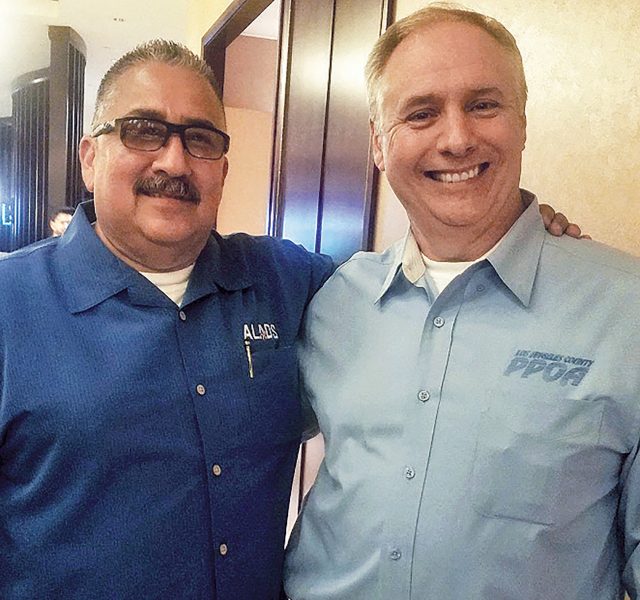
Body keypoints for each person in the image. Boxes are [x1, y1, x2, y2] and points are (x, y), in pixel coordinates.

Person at [284, 4, 640, 599]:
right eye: (421, 113)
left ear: (521, 122)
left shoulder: (625, 312)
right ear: (378, 143)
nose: (456, 139)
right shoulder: (332, 300)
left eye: (483, 105)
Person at [0, 40, 333, 599]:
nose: (174, 163)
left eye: (200, 139)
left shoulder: (286, 281)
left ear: (222, 170)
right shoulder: (11, 303)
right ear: (90, 158)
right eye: (143, 130)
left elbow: (404, 291)